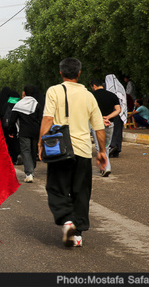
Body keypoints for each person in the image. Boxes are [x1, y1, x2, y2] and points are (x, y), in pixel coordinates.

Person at [39, 58, 107, 248]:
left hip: (60, 150)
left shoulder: (54, 91)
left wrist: (40, 143)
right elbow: (99, 128)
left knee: (56, 188)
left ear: (61, 73)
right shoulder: (89, 96)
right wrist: (101, 151)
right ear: (79, 73)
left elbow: (47, 118)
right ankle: (77, 234)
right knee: (81, 192)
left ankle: (67, 221)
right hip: (84, 151)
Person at [8, 84, 43, 183]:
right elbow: (40, 119)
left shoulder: (18, 105)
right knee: (33, 151)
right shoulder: (37, 104)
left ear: (24, 93)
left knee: (25, 151)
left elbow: (12, 120)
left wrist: (11, 131)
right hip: (35, 132)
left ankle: (29, 173)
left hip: (24, 132)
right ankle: (31, 170)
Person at [90, 79, 121, 177]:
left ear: (94, 86)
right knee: (106, 146)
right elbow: (118, 110)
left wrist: (100, 118)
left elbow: (90, 111)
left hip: (96, 124)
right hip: (109, 123)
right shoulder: (112, 95)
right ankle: (104, 167)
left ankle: (106, 167)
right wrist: (108, 117)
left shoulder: (92, 96)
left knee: (99, 147)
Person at [104, 74, 127, 158]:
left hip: (113, 112)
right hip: (121, 112)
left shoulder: (109, 88)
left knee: (112, 130)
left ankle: (112, 146)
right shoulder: (121, 87)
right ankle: (117, 149)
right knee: (118, 131)